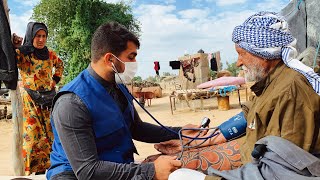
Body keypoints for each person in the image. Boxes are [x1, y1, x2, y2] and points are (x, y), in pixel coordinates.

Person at [154, 11, 320, 178]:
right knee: (162, 161)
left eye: (242, 53)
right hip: (252, 159)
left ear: (264, 54)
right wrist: (199, 141)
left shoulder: (290, 91)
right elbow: (250, 119)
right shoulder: (270, 83)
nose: (238, 62)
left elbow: (281, 171)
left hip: (261, 168)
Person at [47, 22, 201, 180]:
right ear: (110, 60)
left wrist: (181, 132)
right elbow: (88, 170)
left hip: (114, 166)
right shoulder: (71, 103)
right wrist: (151, 171)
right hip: (75, 174)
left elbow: (136, 128)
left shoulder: (118, 86)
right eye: (131, 57)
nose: (134, 64)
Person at [12, 22, 64, 175]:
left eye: (44, 36)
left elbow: (60, 65)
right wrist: (15, 45)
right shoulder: (23, 53)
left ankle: (49, 170)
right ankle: (30, 172)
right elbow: (10, 57)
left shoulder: (51, 54)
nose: (41, 39)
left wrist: (54, 80)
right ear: (31, 36)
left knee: (51, 135)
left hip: (49, 100)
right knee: (32, 136)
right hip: (30, 100)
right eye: (37, 36)